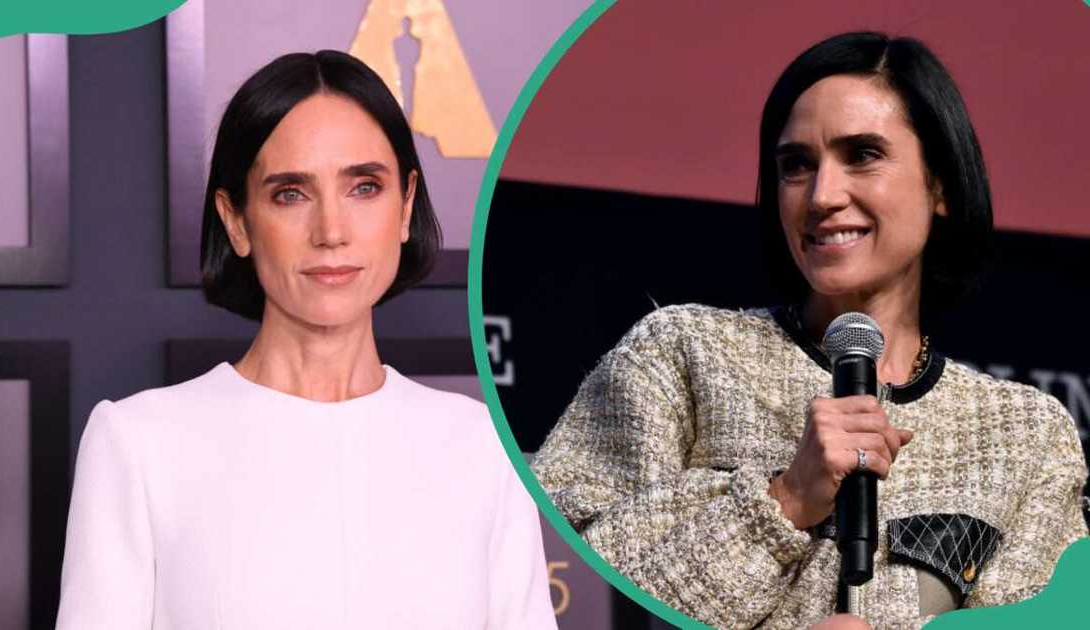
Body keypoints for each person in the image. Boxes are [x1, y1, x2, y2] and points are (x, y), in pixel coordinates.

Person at [530, 31, 1087, 629]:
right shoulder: (680, 353)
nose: (822, 195)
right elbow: (556, 585)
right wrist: (786, 499)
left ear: (940, 184)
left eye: (863, 155)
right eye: (796, 165)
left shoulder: (1025, 434)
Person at [56, 50, 556, 629]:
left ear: (406, 205)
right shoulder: (140, 445)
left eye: (364, 187)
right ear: (236, 220)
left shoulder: (484, 449)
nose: (331, 232)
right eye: (290, 193)